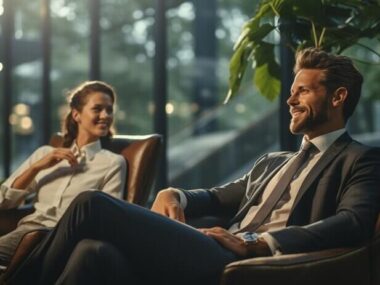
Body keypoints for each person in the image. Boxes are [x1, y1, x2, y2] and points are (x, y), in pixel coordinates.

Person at [8, 48, 380, 285]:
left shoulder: (358, 158)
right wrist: (178, 194)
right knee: (91, 251)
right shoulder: (273, 161)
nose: (290, 99)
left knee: (92, 204)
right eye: (292, 90)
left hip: (240, 260)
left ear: (338, 96)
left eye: (303, 91)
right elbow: (217, 196)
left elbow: (353, 223)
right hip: (208, 247)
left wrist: (258, 242)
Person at [0, 81, 126, 265]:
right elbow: (4, 202)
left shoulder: (112, 163)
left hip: (64, 241)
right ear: (77, 114)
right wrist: (36, 168)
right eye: (97, 109)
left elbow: (108, 217)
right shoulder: (45, 154)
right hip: (25, 233)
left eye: (109, 110)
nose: (105, 115)